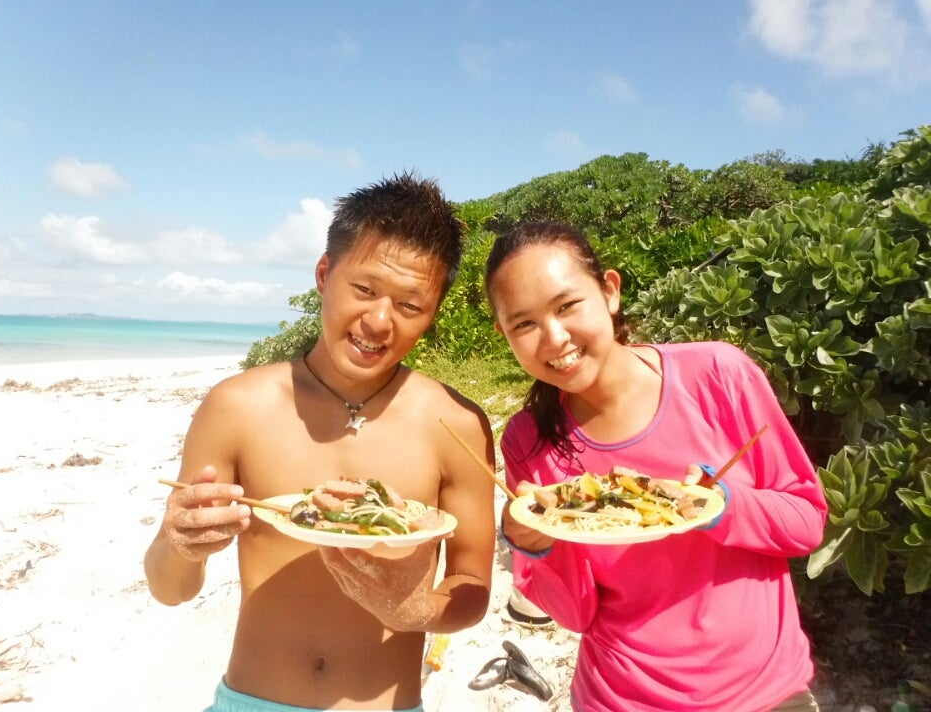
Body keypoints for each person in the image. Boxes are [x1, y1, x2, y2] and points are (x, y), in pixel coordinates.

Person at [144, 173, 497, 712]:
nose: (378, 321)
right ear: (324, 274)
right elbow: (170, 589)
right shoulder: (236, 407)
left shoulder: (455, 425)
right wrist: (180, 542)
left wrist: (415, 611)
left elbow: (472, 584)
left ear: (433, 313)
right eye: (364, 290)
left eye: (410, 305)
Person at [483, 221, 828, 712]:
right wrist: (535, 544)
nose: (554, 338)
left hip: (765, 691)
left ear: (610, 291)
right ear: (505, 334)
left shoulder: (717, 375)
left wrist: (723, 507)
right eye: (525, 324)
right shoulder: (527, 440)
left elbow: (807, 522)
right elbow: (574, 614)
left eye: (567, 306)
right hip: (620, 698)